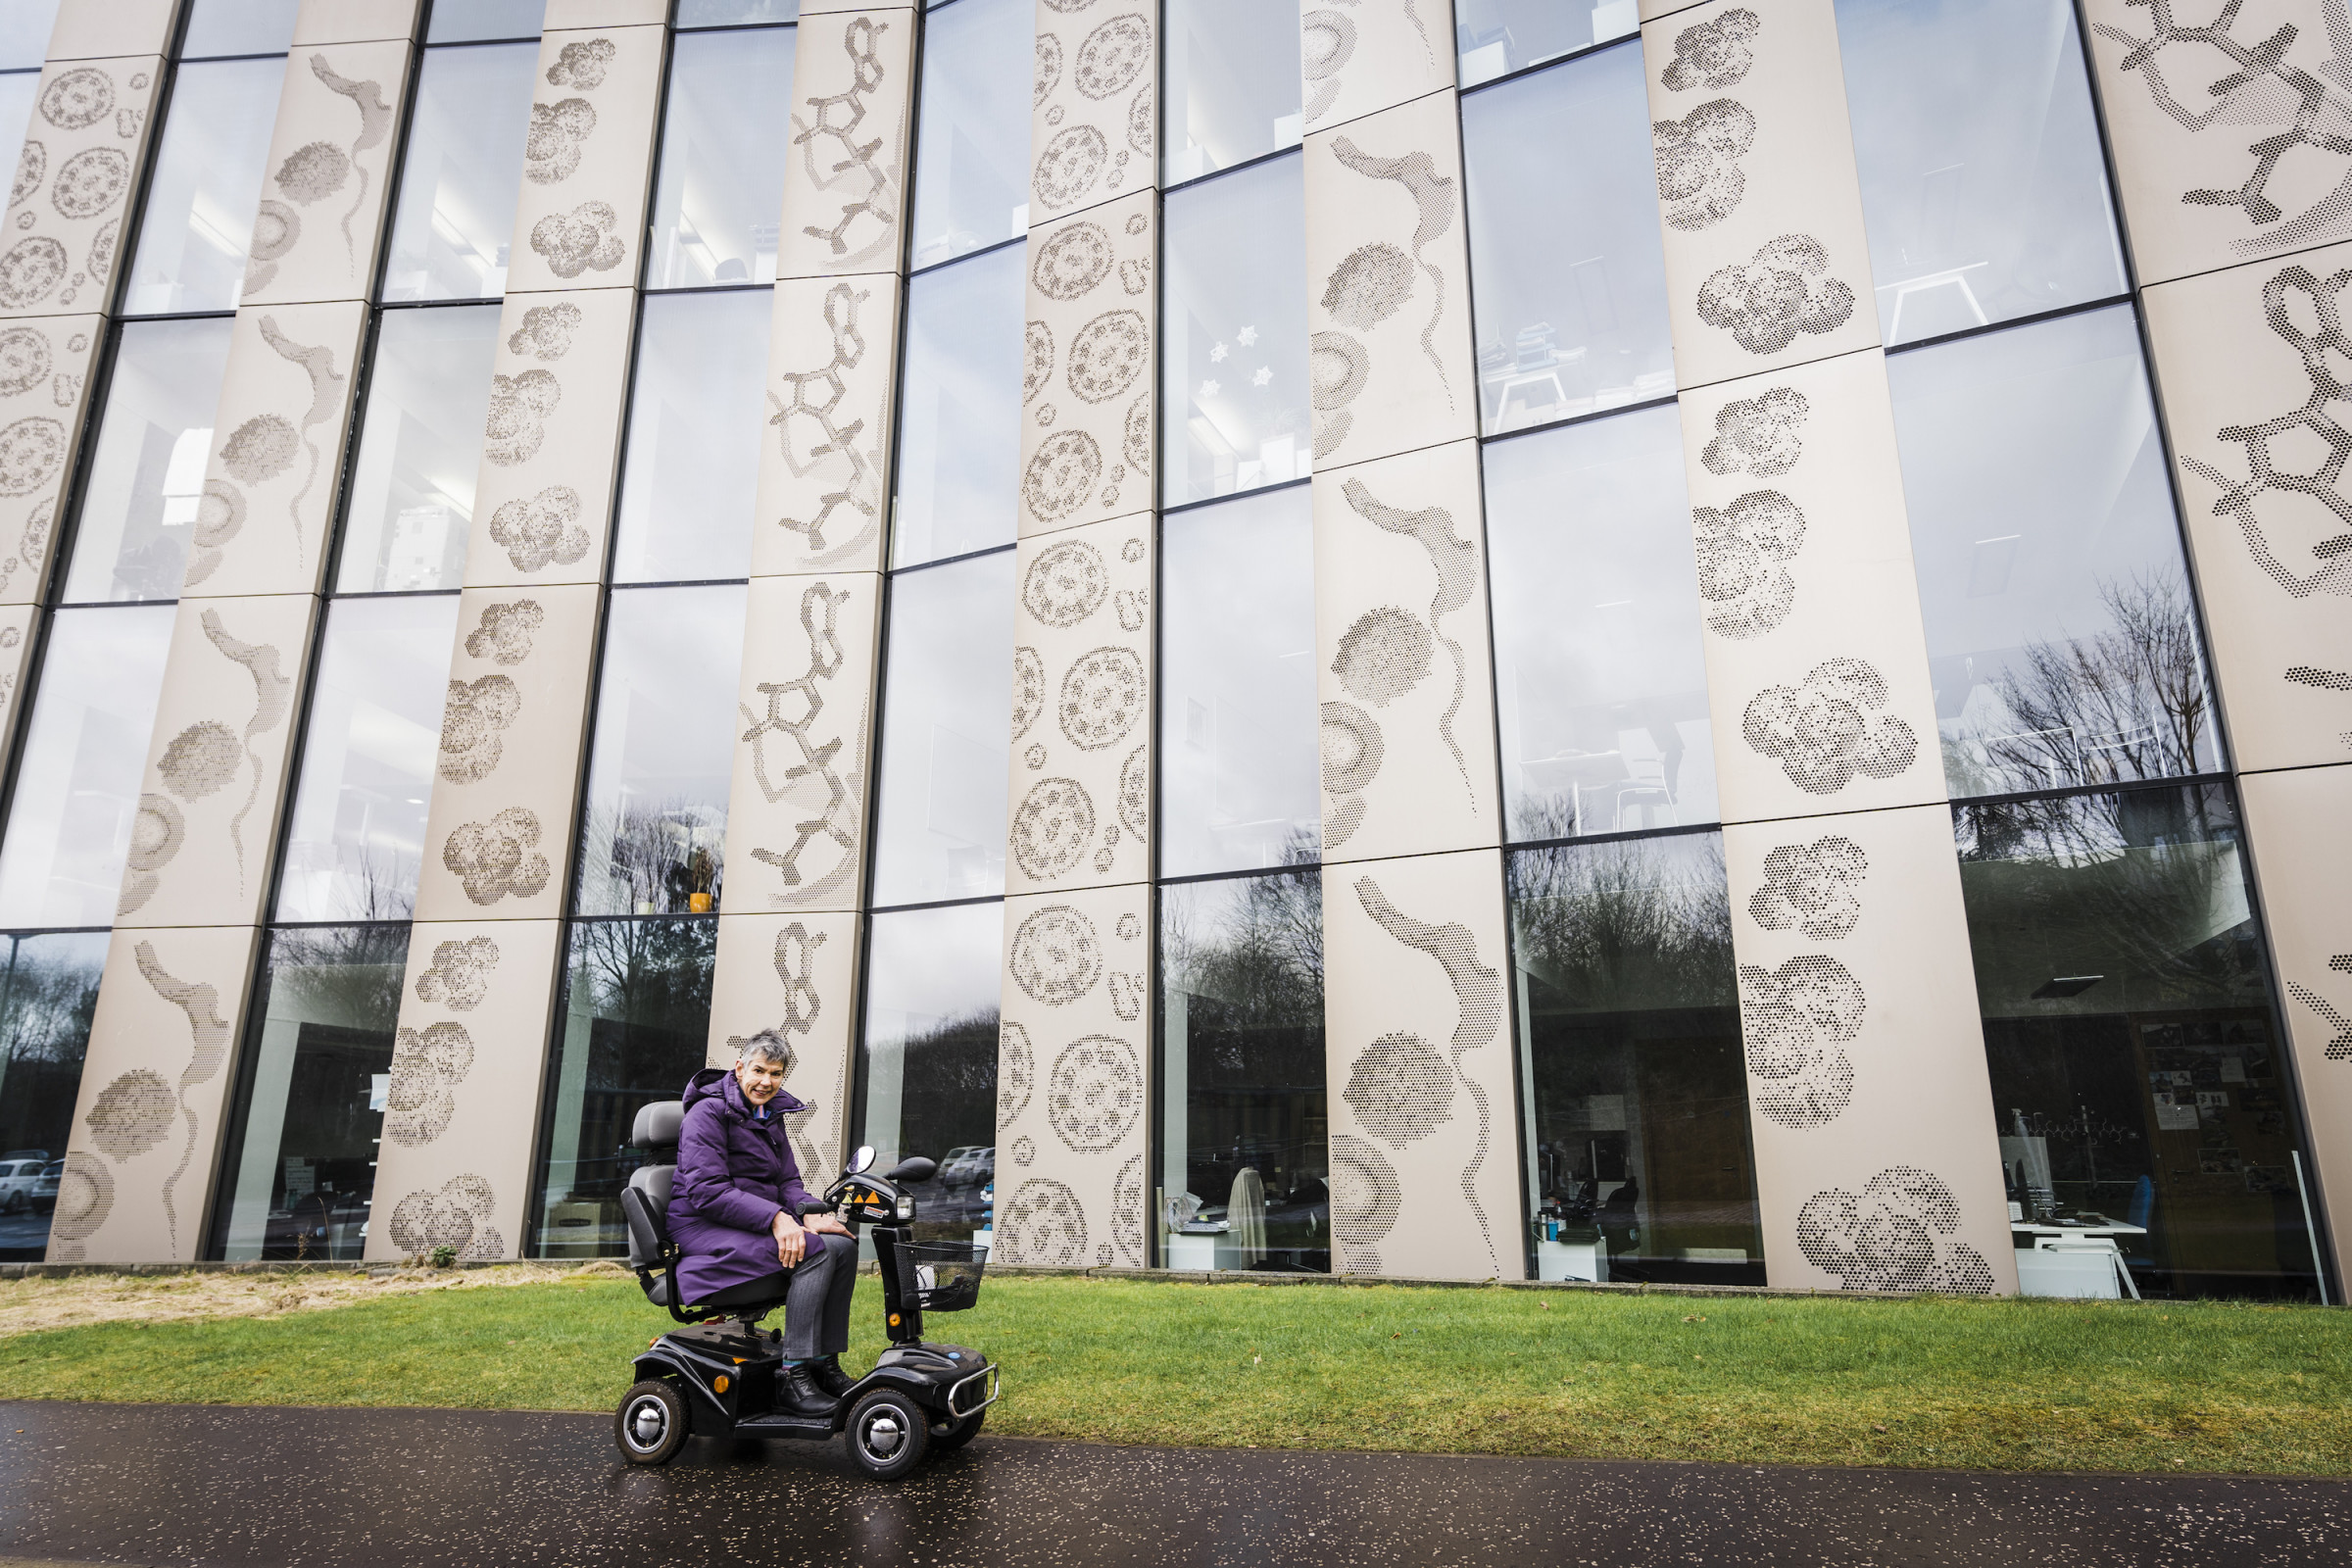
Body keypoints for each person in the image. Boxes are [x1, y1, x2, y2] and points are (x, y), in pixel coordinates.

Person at [670, 1032, 857, 1417]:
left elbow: (786, 1182)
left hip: (747, 1220)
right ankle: (792, 1374)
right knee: (816, 1252)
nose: (766, 1082)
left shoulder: (769, 1115)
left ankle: (824, 1362)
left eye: (775, 1074)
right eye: (758, 1070)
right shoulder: (706, 1113)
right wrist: (776, 1218)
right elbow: (707, 1191)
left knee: (843, 1245)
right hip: (702, 1223)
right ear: (739, 1069)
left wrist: (808, 1212)